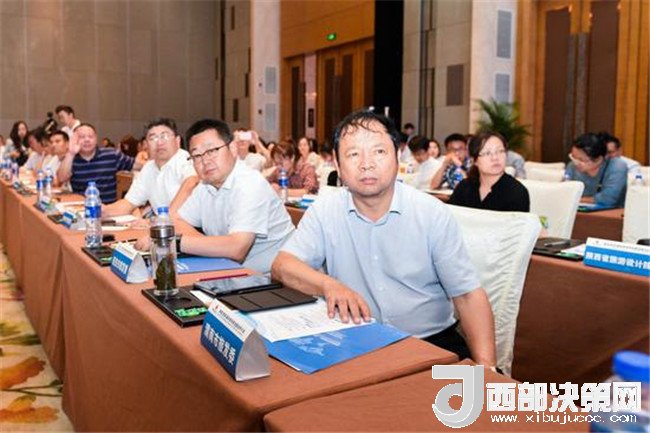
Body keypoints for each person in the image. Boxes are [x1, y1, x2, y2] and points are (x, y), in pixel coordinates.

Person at [271, 110, 496, 365]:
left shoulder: (431, 212)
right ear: (337, 164)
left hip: (432, 343)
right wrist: (329, 285)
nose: (366, 163)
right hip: (358, 342)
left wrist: (487, 369)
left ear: (397, 156)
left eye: (379, 151)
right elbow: (282, 266)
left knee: (460, 390)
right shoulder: (325, 210)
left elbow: (468, 296)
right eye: (353, 154)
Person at [135, 118, 294, 274]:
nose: (205, 161)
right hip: (228, 270)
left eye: (212, 151)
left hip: (272, 277)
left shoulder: (250, 183)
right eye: (197, 156)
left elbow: (237, 249)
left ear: (232, 149)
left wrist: (173, 241)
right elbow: (176, 221)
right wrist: (210, 246)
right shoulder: (205, 186)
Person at [103, 118, 196, 218]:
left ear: (177, 141)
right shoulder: (149, 167)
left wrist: (165, 218)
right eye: (153, 138)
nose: (159, 142)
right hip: (163, 224)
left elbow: (192, 182)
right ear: (146, 145)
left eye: (164, 136)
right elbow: (129, 203)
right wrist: (103, 210)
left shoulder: (183, 158)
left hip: (190, 224)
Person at [57, 123, 143, 203]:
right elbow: (61, 179)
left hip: (110, 208)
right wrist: (71, 153)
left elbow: (138, 165)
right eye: (82, 137)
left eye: (90, 136)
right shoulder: (71, 159)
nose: (87, 140)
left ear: (96, 138)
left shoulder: (112, 154)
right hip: (82, 208)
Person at [449, 132, 530, 212]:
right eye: (487, 153)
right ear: (474, 160)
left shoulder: (517, 192)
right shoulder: (464, 187)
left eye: (500, 151)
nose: (495, 158)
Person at [565, 133, 627, 207]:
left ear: (599, 159)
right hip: (578, 210)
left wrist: (575, 199)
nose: (576, 163)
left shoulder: (617, 166)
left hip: (612, 212)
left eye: (581, 160)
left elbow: (608, 199)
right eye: (573, 157)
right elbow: (565, 192)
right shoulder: (572, 166)